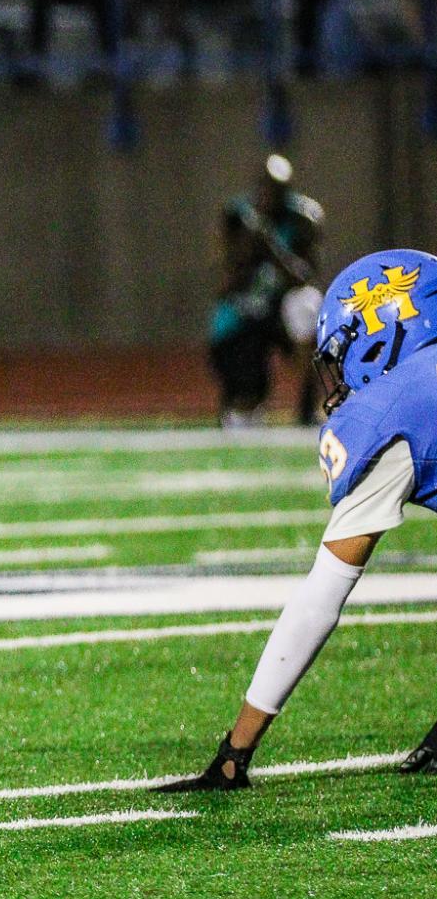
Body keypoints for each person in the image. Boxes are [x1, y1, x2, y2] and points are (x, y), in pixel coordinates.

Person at [163, 248, 437, 793]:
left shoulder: (393, 407)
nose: (338, 378)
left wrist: (234, 751)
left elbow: (320, 600)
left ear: (383, 335)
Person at [209, 154, 324, 428]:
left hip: (280, 308)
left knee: (308, 305)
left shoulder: (301, 218)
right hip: (245, 311)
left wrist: (270, 245)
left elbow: (304, 277)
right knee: (243, 368)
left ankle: (309, 407)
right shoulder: (238, 217)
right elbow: (224, 287)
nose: (269, 196)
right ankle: (238, 405)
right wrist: (248, 250)